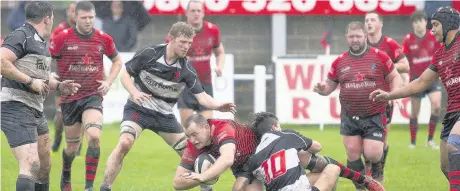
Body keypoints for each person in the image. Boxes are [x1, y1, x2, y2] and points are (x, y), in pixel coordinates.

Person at [100, 22, 236, 191]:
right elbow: (125, 74)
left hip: (164, 117)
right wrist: (134, 92)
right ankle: (105, 187)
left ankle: (206, 187)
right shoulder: (150, 53)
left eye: (189, 43)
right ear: (171, 39)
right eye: (182, 42)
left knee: (192, 154)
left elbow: (202, 97)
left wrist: (218, 106)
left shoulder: (186, 69)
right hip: (138, 110)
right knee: (125, 143)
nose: (186, 47)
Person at [370, 6, 460, 190]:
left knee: (453, 146)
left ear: (448, 24)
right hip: (451, 113)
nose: (432, 29)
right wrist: (389, 95)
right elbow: (419, 83)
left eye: (435, 25)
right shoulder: (440, 54)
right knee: (446, 166)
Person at [313, 21, 402, 190]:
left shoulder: (380, 56)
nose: (355, 40)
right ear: (346, 38)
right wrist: (322, 89)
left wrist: (394, 94)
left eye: (358, 36)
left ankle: (376, 170)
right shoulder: (339, 61)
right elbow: (329, 86)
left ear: (365, 37)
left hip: (374, 113)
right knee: (353, 155)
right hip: (349, 115)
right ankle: (363, 186)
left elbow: (394, 77)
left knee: (373, 153)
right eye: (352, 36)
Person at [1, 1, 80, 190]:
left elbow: (41, 79)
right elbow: (2, 61)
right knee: (31, 163)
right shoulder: (22, 35)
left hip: (35, 108)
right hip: (15, 105)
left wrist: (60, 85)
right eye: (52, 17)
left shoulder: (40, 40)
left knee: (44, 165)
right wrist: (29, 81)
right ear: (47, 18)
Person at [48, 1, 122, 190]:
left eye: (91, 17)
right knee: (72, 147)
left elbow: (117, 61)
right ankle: (66, 175)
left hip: (92, 96)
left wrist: (108, 82)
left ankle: (89, 186)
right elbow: (46, 59)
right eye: (84, 18)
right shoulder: (61, 38)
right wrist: (51, 78)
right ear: (75, 17)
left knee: (94, 136)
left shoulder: (103, 38)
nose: (88, 21)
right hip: (70, 98)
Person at [245, 112, 386, 191]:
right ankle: (365, 181)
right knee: (331, 168)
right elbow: (317, 147)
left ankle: (366, 181)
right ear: (275, 127)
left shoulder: (253, 159)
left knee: (304, 161)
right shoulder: (286, 135)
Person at [364, 11, 410, 181]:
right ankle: (369, 171)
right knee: (363, 137)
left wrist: (386, 66)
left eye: (372, 20)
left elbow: (405, 66)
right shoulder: (360, 44)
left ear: (380, 24)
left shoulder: (389, 44)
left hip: (384, 97)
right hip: (363, 98)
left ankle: (378, 173)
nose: (368, 23)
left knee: (382, 137)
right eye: (366, 20)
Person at [167, 0, 226, 125]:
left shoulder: (212, 30)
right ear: (186, 13)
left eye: (199, 11)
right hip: (185, 84)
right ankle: (187, 145)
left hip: (205, 83)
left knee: (205, 126)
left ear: (203, 13)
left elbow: (220, 52)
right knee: (188, 127)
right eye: (193, 11)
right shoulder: (178, 30)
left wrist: (219, 66)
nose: (196, 14)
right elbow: (167, 52)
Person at [172, 114, 264, 191]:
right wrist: (203, 178)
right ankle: (206, 187)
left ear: (206, 127)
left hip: (261, 153)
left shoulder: (223, 127)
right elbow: (177, 183)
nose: (192, 140)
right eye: (188, 136)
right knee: (238, 189)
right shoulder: (193, 144)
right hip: (241, 166)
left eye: (194, 134)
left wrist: (204, 176)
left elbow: (227, 159)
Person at [401, 10, 442, 149]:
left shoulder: (433, 36)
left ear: (426, 22)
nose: (418, 24)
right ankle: (413, 142)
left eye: (421, 21)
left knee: (436, 106)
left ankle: (430, 140)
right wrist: (406, 78)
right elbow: (404, 62)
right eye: (415, 22)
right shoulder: (408, 40)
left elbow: (441, 54)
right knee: (414, 112)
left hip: (432, 77)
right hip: (416, 79)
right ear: (413, 25)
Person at [49, 1, 78, 154]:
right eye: (72, 10)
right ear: (67, 12)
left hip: (83, 76)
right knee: (61, 113)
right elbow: (51, 51)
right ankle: (58, 138)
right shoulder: (60, 30)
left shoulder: (88, 31)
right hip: (64, 77)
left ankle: (77, 145)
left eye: (76, 11)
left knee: (82, 113)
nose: (74, 14)